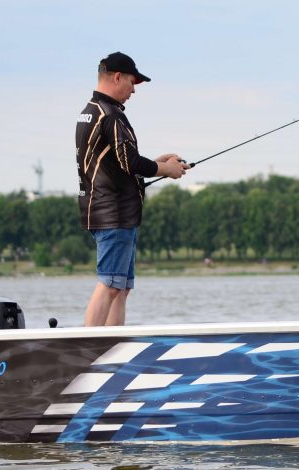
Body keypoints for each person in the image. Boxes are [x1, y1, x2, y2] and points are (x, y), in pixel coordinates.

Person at [76, 51, 189, 326]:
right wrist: (166, 169)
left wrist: (157, 163)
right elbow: (130, 162)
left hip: (106, 209)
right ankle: (87, 345)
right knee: (109, 284)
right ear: (117, 77)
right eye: (132, 82)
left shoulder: (91, 112)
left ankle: (114, 343)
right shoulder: (111, 115)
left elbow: (117, 164)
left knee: (121, 287)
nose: (134, 90)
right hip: (115, 213)